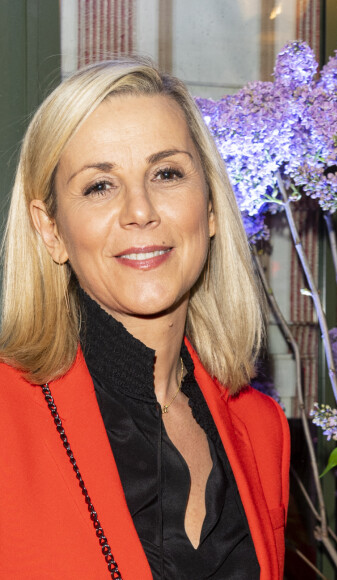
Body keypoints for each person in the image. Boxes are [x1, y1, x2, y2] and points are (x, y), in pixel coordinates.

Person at [0, 58, 290, 579]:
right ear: (50, 230)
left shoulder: (261, 428)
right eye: (99, 186)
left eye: (167, 174)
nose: (140, 209)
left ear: (211, 208)